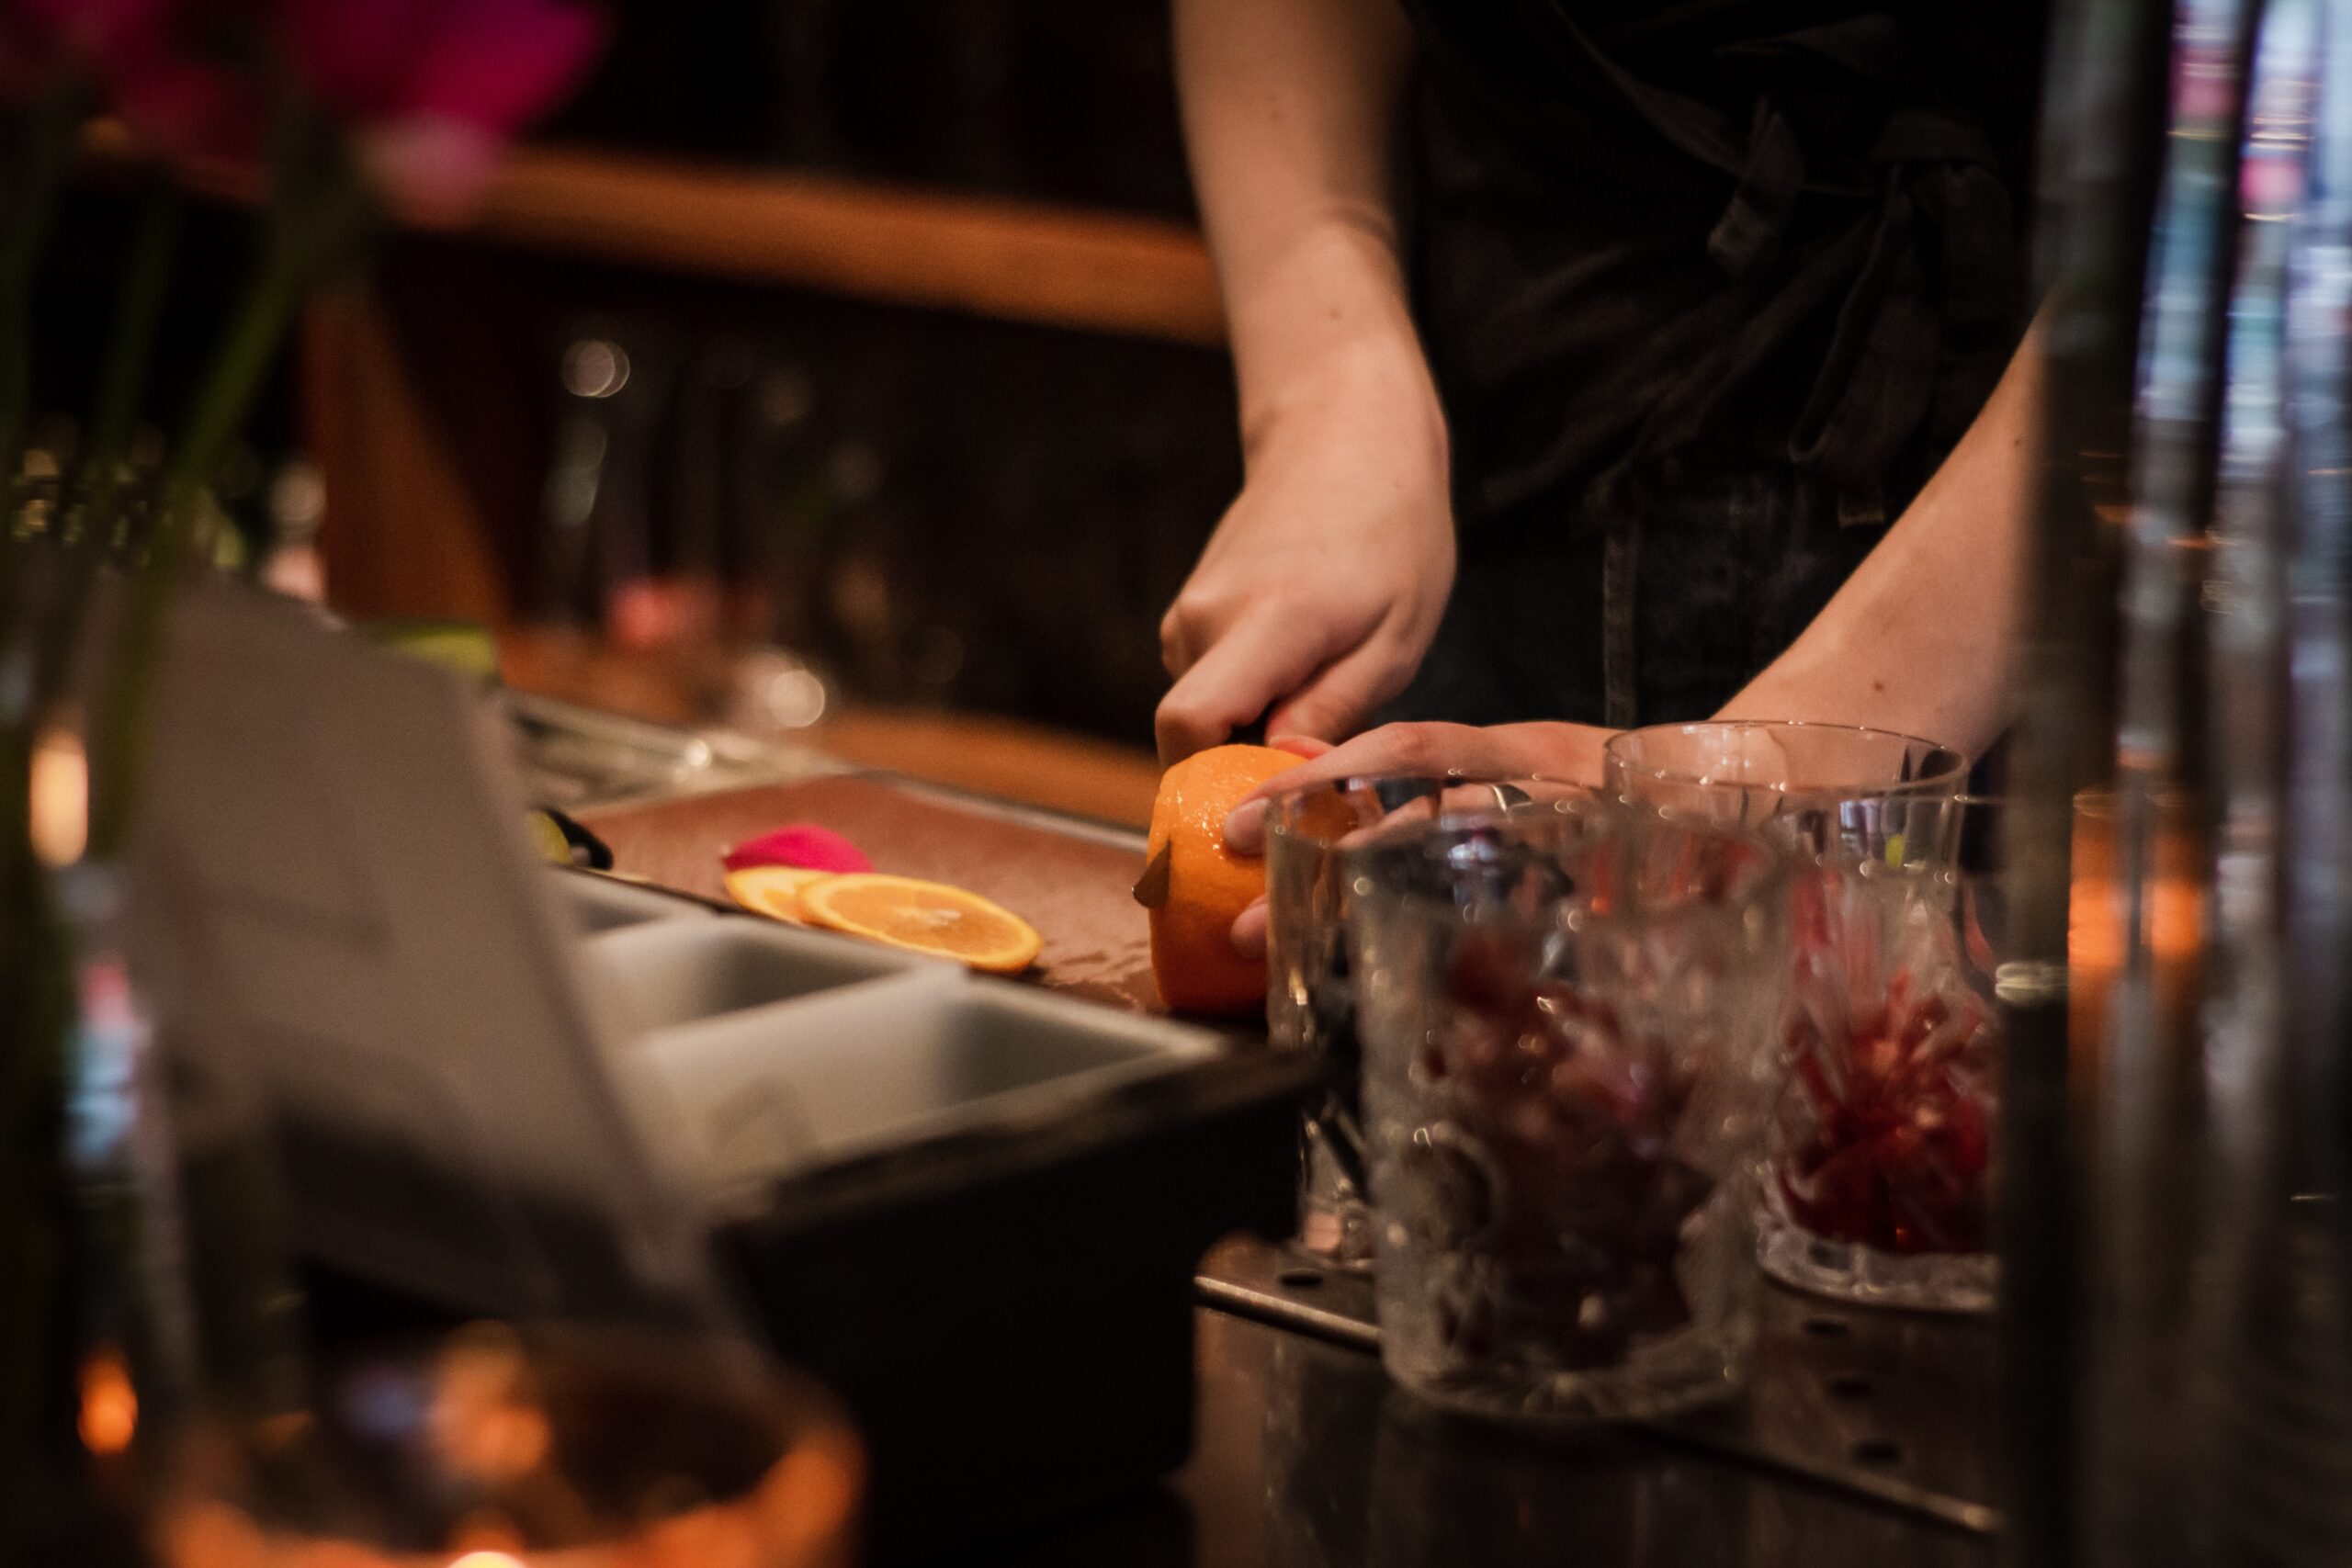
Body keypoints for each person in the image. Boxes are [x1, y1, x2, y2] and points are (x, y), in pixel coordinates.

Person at [1154, 0, 2051, 947]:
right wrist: (1324, 380)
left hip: (2014, 600)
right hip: (1477, 505)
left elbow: (2219, 162)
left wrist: (1816, 740)